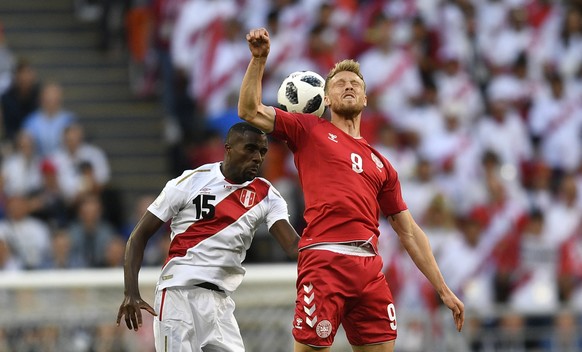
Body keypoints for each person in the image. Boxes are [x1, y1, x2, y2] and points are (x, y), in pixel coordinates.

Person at [238, 28, 464, 352]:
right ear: (325, 99)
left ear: (365, 98)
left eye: (355, 83)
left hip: (370, 267)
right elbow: (249, 110)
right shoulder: (309, 129)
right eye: (340, 83)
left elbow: (409, 231)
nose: (349, 86)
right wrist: (259, 60)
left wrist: (443, 289)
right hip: (325, 259)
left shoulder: (382, 164)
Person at [116, 122, 300, 351]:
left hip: (221, 302)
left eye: (262, 152)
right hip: (178, 293)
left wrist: (331, 248)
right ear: (229, 148)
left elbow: (293, 245)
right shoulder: (190, 181)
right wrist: (131, 292)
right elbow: (139, 236)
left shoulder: (267, 196)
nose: (257, 157)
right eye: (250, 149)